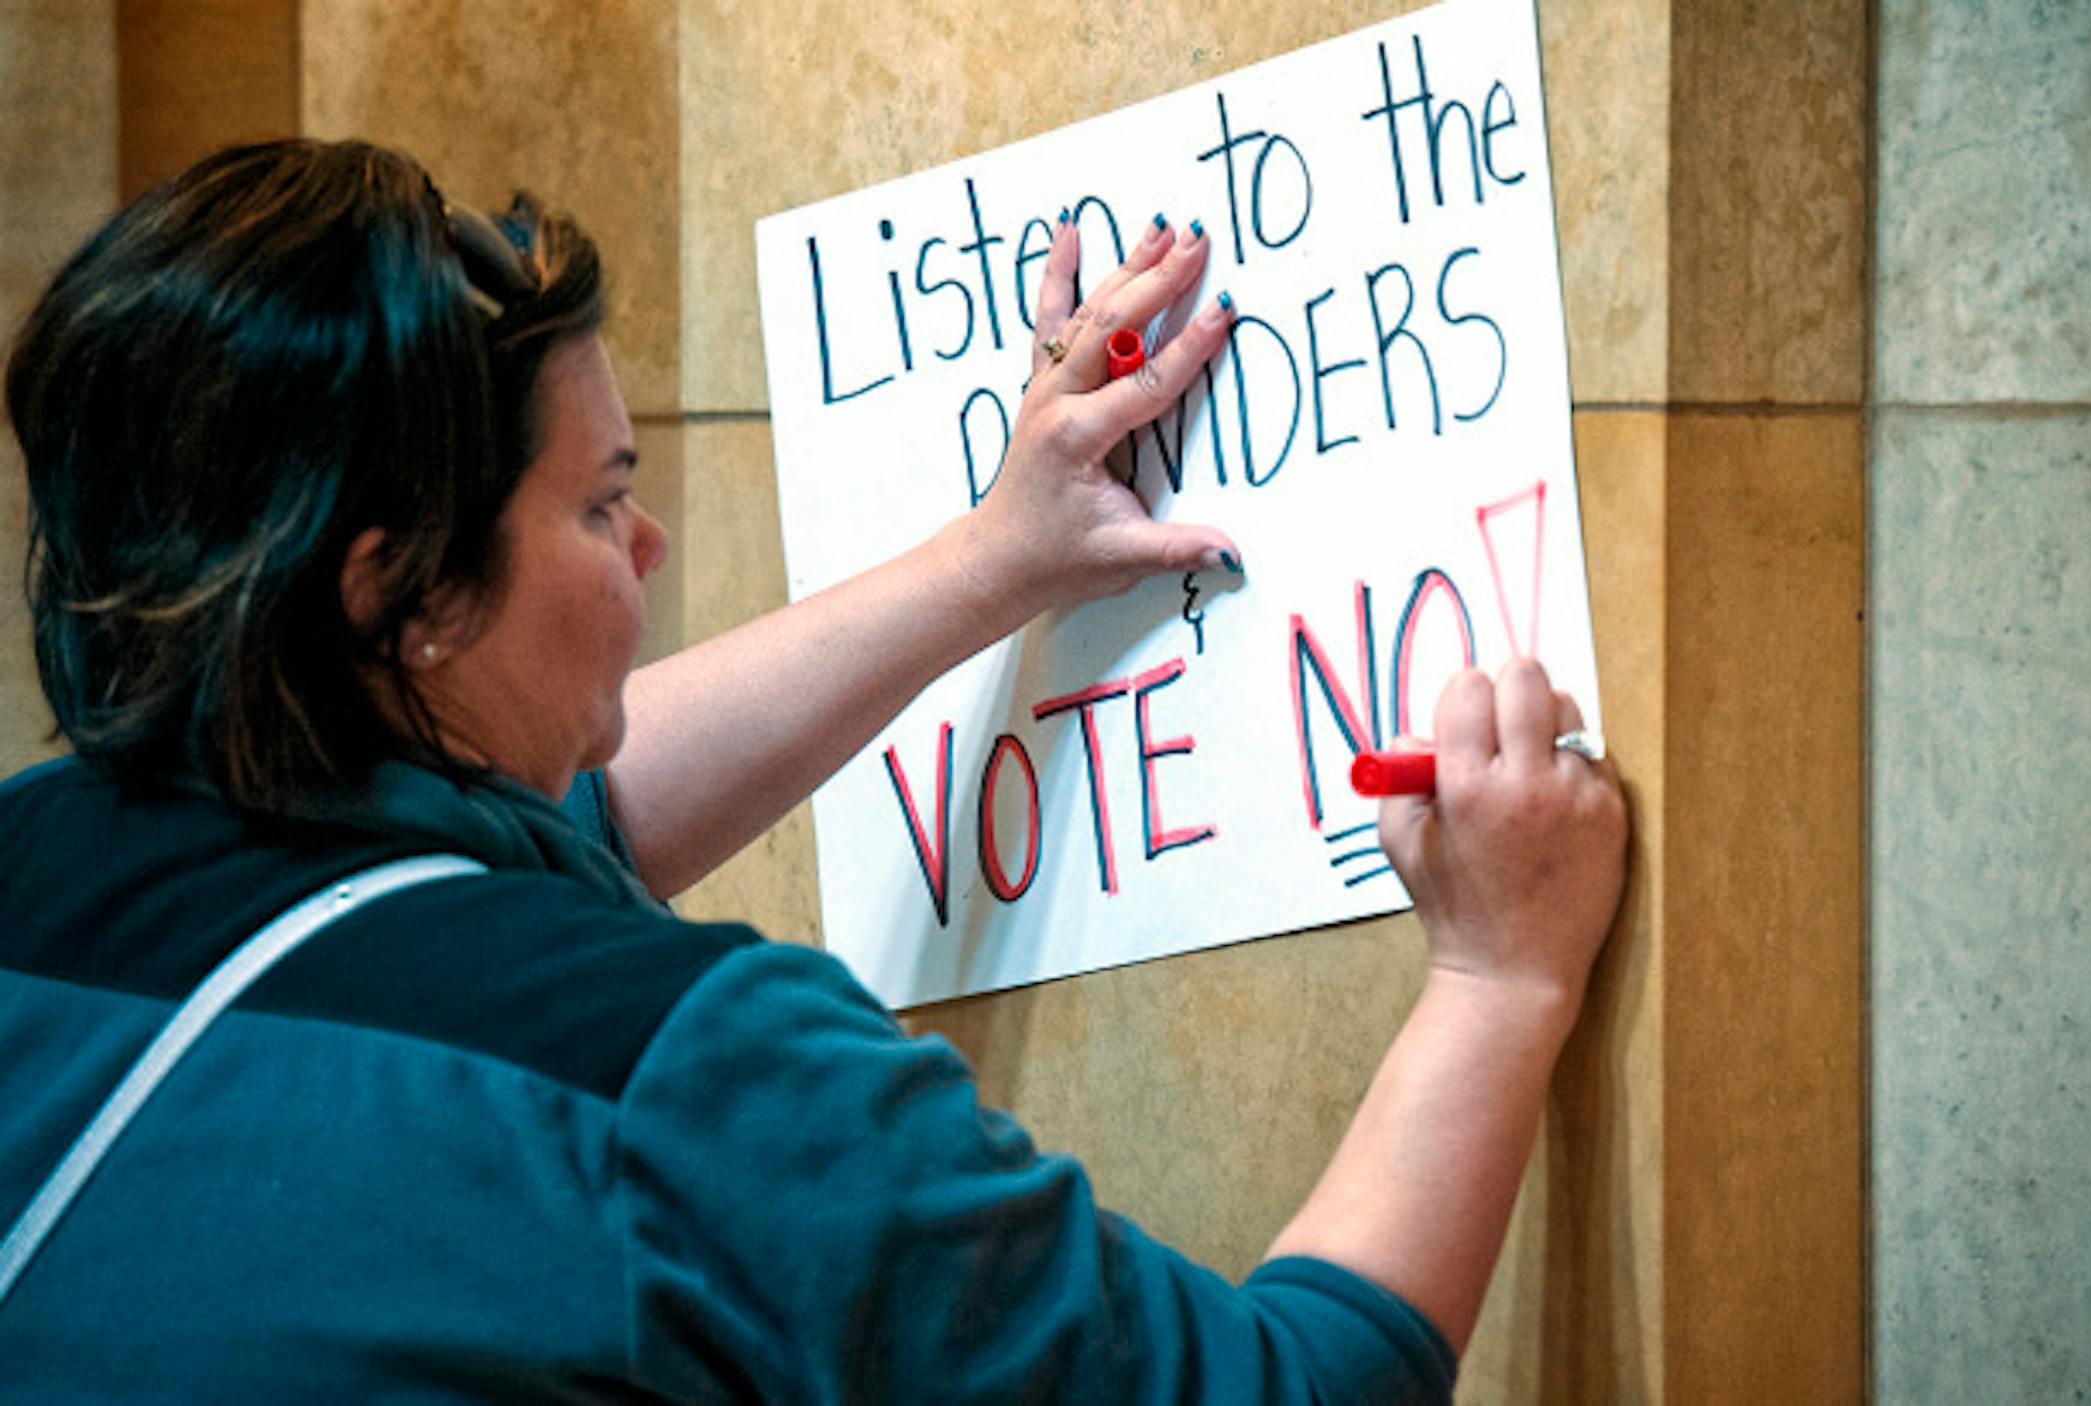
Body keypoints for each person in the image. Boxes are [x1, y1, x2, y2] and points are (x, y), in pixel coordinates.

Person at [0, 138, 1625, 1401]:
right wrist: (1497, 981)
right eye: (594, 503)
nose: (648, 542)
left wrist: (995, 559)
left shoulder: (43, 869)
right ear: (397, 592)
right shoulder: (696, 1079)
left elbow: (532, 848)